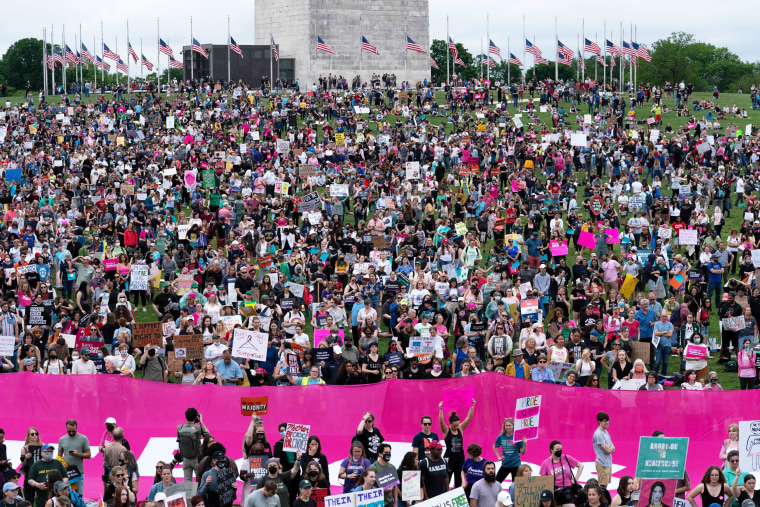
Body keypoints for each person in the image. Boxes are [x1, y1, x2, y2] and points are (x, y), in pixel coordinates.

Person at [439, 399, 476, 489]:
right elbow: (441, 422)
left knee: (458, 481)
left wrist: (472, 406)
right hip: (449, 458)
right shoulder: (446, 430)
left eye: (457, 425)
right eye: (454, 425)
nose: (456, 427)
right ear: (450, 424)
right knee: (446, 479)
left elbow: (469, 418)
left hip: (459, 458)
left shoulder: (460, 428)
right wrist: (440, 409)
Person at [539, 441, 584, 507]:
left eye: (561, 449)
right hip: (555, 492)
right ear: (551, 450)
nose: (559, 451)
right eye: (557, 449)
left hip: (567, 490)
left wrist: (575, 479)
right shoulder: (545, 463)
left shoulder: (566, 458)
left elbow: (581, 466)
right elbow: (543, 479)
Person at [56, 420, 91, 493]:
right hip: (66, 471)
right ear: (66, 428)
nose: (71, 433)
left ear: (76, 427)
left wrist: (79, 454)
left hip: (79, 471)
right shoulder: (62, 439)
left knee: (79, 495)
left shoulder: (83, 438)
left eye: (73, 431)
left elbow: (89, 455)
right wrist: (61, 464)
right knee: (66, 494)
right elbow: (59, 456)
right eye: (69, 431)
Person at [177, 408, 210, 483]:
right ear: (196, 417)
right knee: (200, 480)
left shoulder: (180, 427)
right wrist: (201, 422)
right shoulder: (198, 428)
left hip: (185, 458)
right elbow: (207, 436)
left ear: (186, 417)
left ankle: (188, 495)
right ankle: (199, 494)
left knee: (187, 481)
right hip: (196, 458)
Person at [494, 418, 526, 482]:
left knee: (516, 486)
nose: (508, 427)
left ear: (513, 426)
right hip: (505, 464)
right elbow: (494, 446)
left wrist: (525, 444)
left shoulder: (518, 437)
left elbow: (522, 452)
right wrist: (498, 457)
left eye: (510, 425)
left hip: (516, 464)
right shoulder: (501, 437)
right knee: (496, 483)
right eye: (506, 425)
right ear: (504, 426)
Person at [592, 412, 614, 489]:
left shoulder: (606, 432)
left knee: (606, 485)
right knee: (602, 486)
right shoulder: (598, 434)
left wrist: (610, 449)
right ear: (599, 421)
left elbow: (612, 447)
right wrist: (610, 449)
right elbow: (607, 450)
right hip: (602, 463)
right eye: (605, 421)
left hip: (607, 462)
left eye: (608, 420)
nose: (607, 422)